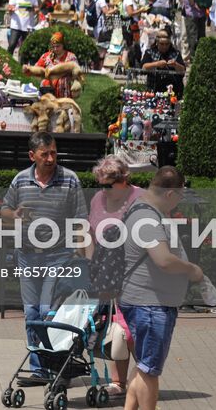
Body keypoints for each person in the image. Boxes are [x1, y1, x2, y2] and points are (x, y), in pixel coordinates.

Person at [0, 131, 89, 381]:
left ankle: (54, 366)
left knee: (48, 311)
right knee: (31, 313)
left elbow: (81, 220)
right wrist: (14, 214)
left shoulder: (69, 180)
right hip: (27, 256)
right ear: (32, 155)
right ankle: (39, 368)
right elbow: (4, 209)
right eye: (45, 154)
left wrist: (81, 256)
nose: (50, 158)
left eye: (54, 153)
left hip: (58, 256)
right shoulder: (20, 180)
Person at [117, 167, 206, 410]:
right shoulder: (147, 218)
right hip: (150, 305)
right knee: (150, 371)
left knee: (144, 366)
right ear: (170, 194)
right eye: (179, 197)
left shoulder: (140, 208)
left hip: (145, 302)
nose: (179, 204)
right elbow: (164, 260)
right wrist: (191, 270)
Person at [87, 154, 143, 400]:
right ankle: (119, 382)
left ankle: (143, 379)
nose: (105, 189)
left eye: (109, 184)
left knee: (133, 332)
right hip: (106, 275)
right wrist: (92, 265)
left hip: (134, 276)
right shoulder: (99, 199)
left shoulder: (140, 200)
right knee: (114, 330)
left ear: (124, 179)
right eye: (101, 184)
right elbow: (90, 233)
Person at [23, 30, 79, 98]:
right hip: (47, 93)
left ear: (63, 45)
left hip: (64, 95)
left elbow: (77, 74)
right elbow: (36, 69)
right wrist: (28, 69)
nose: (55, 49)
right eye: (53, 46)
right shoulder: (46, 56)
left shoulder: (71, 57)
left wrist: (76, 83)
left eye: (58, 46)